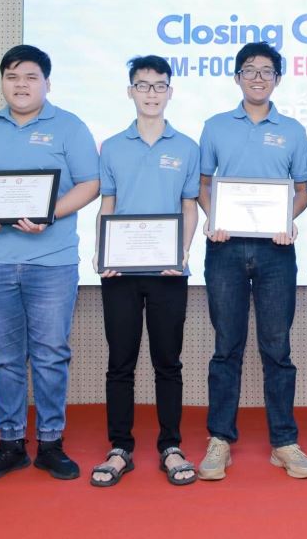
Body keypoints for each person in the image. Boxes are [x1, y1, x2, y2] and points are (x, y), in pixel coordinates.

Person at [0, 45, 100, 482]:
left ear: (46, 83)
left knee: (51, 355)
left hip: (51, 263)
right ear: (2, 81)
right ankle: (10, 443)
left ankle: (51, 443)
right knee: (3, 357)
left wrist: (50, 212)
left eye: (31, 77)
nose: (21, 84)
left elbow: (90, 184)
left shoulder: (70, 126)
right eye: (12, 76)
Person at [196, 42, 307, 480]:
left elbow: (303, 190)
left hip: (276, 251)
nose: (258, 78)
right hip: (224, 248)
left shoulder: (294, 131)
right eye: (249, 70)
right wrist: (214, 218)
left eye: (267, 71)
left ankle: (283, 442)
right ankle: (219, 441)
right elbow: (203, 185)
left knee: (277, 348)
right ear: (237, 77)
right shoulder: (215, 127)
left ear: (278, 79)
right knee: (226, 347)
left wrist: (288, 220)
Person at [89, 55, 199, 487]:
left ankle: (171, 445)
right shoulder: (113, 146)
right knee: (120, 362)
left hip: (169, 272)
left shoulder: (186, 147)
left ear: (170, 92)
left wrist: (182, 253)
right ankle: (120, 448)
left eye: (159, 86)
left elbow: (189, 206)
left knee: (168, 362)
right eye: (143, 85)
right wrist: (102, 252)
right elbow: (108, 205)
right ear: (130, 91)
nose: (151, 93)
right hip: (121, 273)